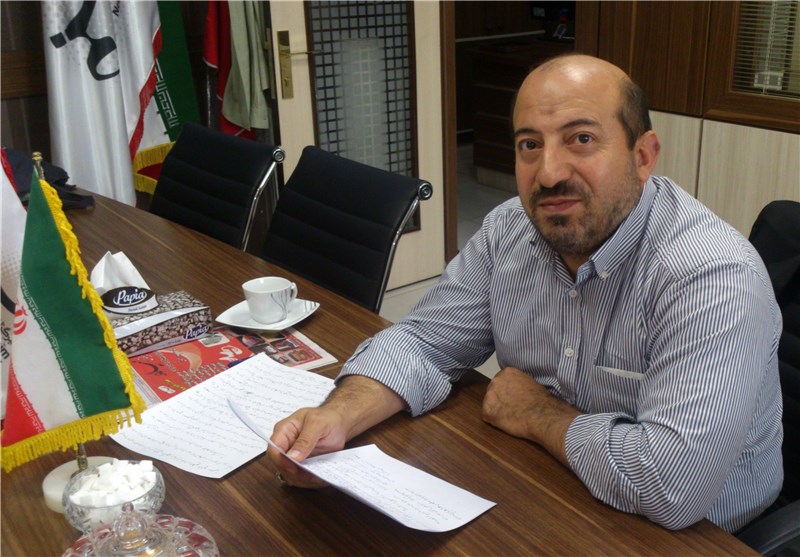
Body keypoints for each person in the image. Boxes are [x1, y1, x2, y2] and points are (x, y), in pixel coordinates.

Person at [268, 54, 783, 533]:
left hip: (699, 535)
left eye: (581, 139)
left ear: (643, 155)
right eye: (530, 145)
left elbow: (672, 486)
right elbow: (424, 343)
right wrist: (338, 415)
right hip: (551, 482)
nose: (550, 173)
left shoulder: (712, 276)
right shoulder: (509, 231)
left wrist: (537, 413)